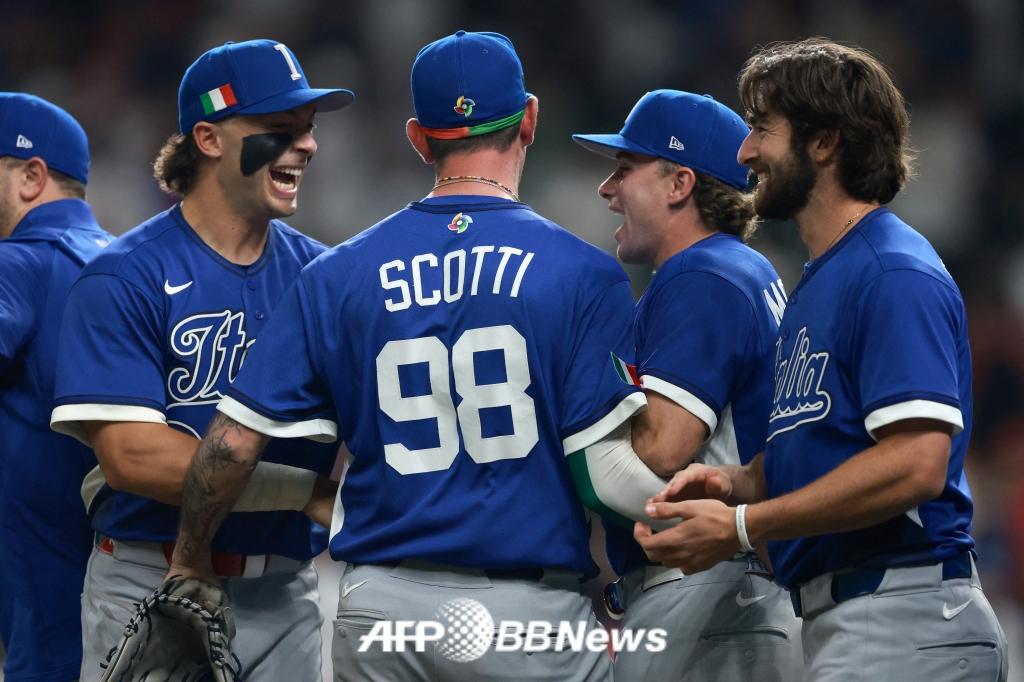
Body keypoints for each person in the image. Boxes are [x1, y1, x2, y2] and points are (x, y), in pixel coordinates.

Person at [165, 30, 673, 682]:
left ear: (418, 138)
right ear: (529, 119)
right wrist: (728, 523)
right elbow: (601, 474)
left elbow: (233, 444)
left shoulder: (336, 274)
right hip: (529, 613)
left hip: (381, 609)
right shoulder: (583, 272)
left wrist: (189, 556)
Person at [636, 39, 1008, 681]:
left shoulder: (891, 271)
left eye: (762, 129)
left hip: (904, 612)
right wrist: (737, 482)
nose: (745, 151)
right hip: (857, 620)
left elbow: (917, 464)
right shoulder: (821, 279)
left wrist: (744, 525)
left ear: (824, 142)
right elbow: (824, 444)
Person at [49, 40, 353, 681]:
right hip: (148, 579)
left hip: (286, 587)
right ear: (209, 139)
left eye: (307, 128)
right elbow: (132, 457)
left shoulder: (323, 277)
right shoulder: (125, 276)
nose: (307, 145)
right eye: (280, 128)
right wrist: (304, 492)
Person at [573, 89, 802, 680]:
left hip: (708, 591)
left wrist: (578, 393)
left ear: (680, 183)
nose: (607, 189)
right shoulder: (739, 267)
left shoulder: (704, 272)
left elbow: (662, 448)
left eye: (626, 168)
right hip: (737, 587)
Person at [0, 93, 113, 682]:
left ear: (31, 177)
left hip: (51, 618)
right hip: (138, 586)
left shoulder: (19, 262)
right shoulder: (132, 261)